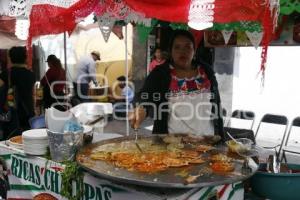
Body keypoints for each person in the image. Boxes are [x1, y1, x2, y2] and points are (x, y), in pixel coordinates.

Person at [130, 30, 224, 139]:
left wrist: (220, 137)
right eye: (177, 47)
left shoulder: (207, 71)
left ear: (194, 50)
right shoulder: (160, 73)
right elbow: (145, 96)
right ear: (171, 51)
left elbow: (216, 105)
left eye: (187, 47)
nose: (182, 51)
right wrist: (142, 108)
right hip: (172, 144)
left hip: (207, 142)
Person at [9, 46, 35, 132]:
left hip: (11, 112)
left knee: (11, 137)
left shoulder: (5, 74)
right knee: (28, 136)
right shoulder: (31, 74)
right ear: (25, 58)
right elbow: (33, 93)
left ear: (11, 58)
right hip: (28, 110)